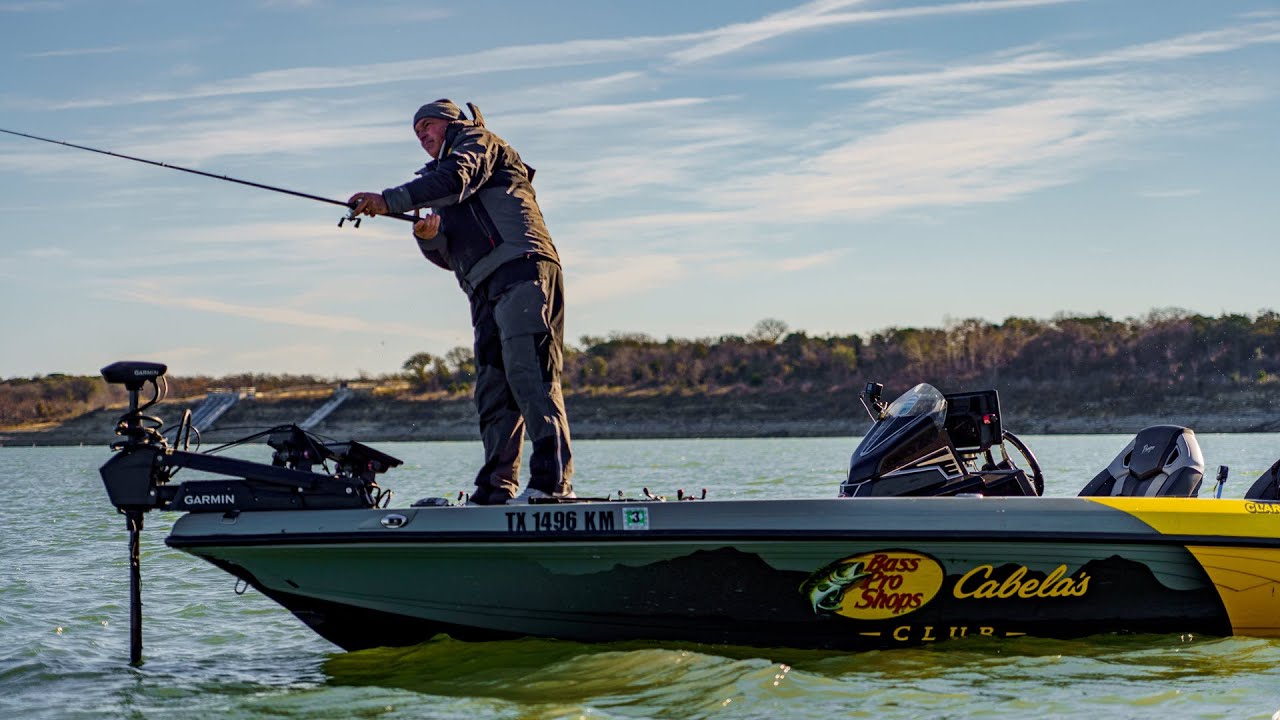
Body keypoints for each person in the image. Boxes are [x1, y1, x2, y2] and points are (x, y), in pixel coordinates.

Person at [349, 99, 574, 505]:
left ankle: (552, 485)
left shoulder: (476, 142)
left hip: (523, 270)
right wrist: (429, 238)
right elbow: (448, 257)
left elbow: (457, 177)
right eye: (416, 132)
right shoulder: (440, 181)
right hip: (484, 287)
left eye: (427, 126)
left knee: (530, 375)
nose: (422, 136)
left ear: (451, 123)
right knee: (493, 391)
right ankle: (496, 491)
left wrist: (389, 200)